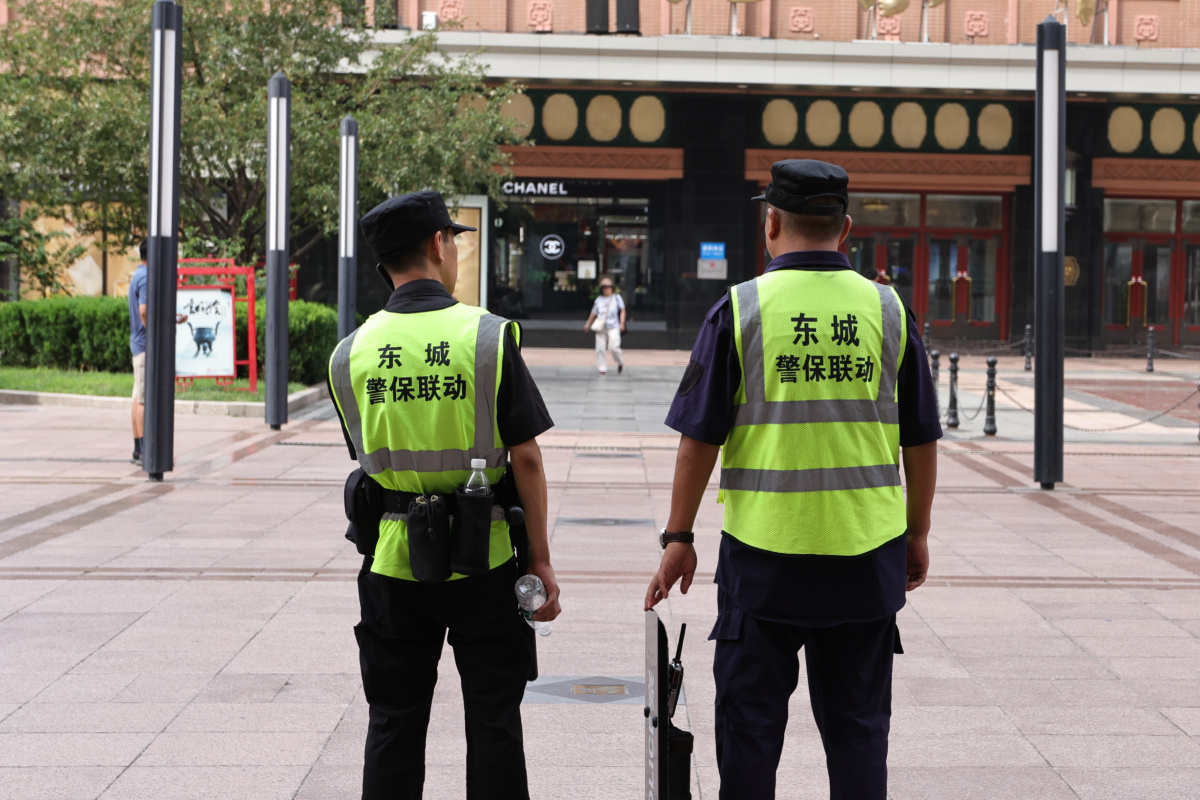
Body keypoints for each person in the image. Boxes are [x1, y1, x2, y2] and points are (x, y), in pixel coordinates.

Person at [643, 159, 941, 800]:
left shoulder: (741, 309)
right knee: (860, 731)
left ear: (770, 223)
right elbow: (920, 436)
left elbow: (700, 438)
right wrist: (916, 534)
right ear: (847, 229)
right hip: (866, 560)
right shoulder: (889, 312)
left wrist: (678, 536)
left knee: (749, 733)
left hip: (764, 565)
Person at [327, 190, 561, 800]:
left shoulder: (348, 354)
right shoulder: (485, 337)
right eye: (453, 239)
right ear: (437, 245)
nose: (455, 250)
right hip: (483, 559)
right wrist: (539, 559)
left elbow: (368, 456)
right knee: (493, 720)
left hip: (391, 559)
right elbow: (528, 457)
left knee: (394, 721)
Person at [127, 241, 148, 466]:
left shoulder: (138, 274)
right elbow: (144, 310)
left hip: (137, 344)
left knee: (136, 397)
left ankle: (137, 448)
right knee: (142, 399)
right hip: (144, 346)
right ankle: (143, 450)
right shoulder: (146, 277)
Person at [583, 276, 626, 375]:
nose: (606, 289)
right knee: (600, 348)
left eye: (608, 287)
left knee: (613, 347)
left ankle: (620, 361)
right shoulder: (599, 300)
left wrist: (622, 323)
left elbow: (622, 310)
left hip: (613, 326)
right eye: (604, 287)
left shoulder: (616, 298)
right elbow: (593, 313)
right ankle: (602, 368)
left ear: (612, 288)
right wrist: (587, 324)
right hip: (601, 327)